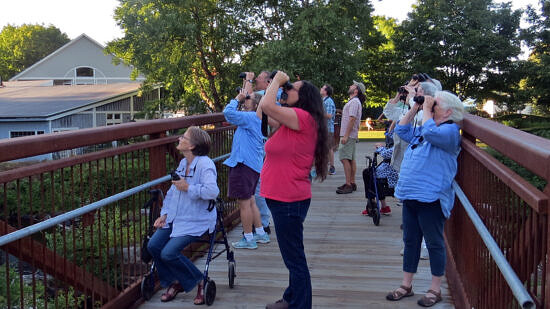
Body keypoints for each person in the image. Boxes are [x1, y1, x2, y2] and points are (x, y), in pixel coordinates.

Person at [385, 91, 464, 307]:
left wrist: (426, 110)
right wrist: (415, 107)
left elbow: (431, 134)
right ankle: (406, 284)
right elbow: (401, 129)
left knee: (434, 242)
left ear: (448, 111)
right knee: (410, 241)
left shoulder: (449, 131)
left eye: (435, 103)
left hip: (431, 197)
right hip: (411, 193)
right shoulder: (424, 129)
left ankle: (435, 289)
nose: (430, 104)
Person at [258, 71, 329, 309]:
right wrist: (273, 87)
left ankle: (300, 304)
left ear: (304, 97)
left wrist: (277, 81)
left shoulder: (303, 117)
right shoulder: (295, 119)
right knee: (293, 255)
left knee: (295, 259)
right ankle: (291, 297)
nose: (287, 90)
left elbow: (267, 105)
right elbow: (267, 114)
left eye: (292, 88)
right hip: (283, 197)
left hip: (288, 199)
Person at [147, 126, 220, 305]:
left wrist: (189, 188)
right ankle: (175, 281)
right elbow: (173, 192)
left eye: (184, 137)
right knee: (154, 246)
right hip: (176, 217)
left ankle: (200, 280)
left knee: (169, 253)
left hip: (197, 219)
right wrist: (164, 214)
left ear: (192, 146)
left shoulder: (205, 164)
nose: (179, 139)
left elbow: (213, 191)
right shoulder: (182, 164)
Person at [224, 76, 269, 249]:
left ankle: (248, 238)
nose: (245, 99)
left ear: (256, 105)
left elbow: (228, 113)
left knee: (244, 203)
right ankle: (260, 233)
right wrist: (247, 83)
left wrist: (237, 99)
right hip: (253, 165)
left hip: (243, 165)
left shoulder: (250, 118)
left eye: (249, 99)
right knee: (250, 201)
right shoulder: (258, 119)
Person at [336, 80, 364, 194]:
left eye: (352, 85)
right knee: (351, 159)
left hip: (348, 135)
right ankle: (352, 182)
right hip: (352, 135)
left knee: (344, 158)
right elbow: (350, 116)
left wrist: (346, 136)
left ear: (356, 90)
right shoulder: (355, 102)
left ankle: (348, 184)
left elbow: (352, 119)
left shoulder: (354, 102)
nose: (350, 85)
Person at [321, 84, 336, 175]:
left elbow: (329, 115)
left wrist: (317, 112)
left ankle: (332, 167)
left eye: (322, 88)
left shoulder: (329, 101)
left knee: (329, 148)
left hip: (328, 129)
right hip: (323, 128)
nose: (320, 89)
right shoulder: (323, 101)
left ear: (326, 91)